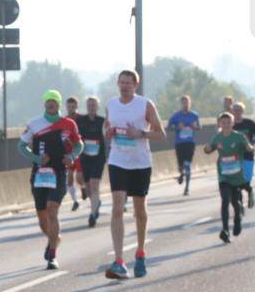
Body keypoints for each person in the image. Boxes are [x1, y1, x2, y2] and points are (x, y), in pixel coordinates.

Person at [103, 70, 166, 280]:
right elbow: (106, 128)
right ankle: (119, 261)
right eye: (121, 82)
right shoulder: (111, 104)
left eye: (128, 83)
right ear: (117, 83)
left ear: (135, 85)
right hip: (117, 160)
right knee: (117, 207)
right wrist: (108, 133)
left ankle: (140, 252)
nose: (124, 86)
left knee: (139, 210)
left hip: (140, 163)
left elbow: (161, 134)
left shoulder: (145, 104)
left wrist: (140, 134)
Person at [18, 90, 83, 269]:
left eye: (54, 101)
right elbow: (21, 146)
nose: (51, 104)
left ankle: (52, 255)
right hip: (39, 173)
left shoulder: (68, 124)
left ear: (59, 104)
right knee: (42, 217)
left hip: (59, 172)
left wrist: (73, 156)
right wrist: (37, 159)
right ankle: (54, 238)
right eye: (48, 101)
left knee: (52, 209)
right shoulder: (34, 123)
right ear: (44, 104)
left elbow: (78, 144)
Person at [204, 112, 250, 243]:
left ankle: (237, 219)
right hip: (223, 176)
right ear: (220, 124)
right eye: (223, 122)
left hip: (236, 176)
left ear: (233, 123)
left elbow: (248, 147)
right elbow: (209, 149)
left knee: (235, 202)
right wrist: (207, 149)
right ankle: (225, 230)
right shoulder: (217, 137)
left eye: (228, 122)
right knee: (225, 200)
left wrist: (249, 148)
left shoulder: (239, 136)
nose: (226, 125)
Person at [76, 96, 107, 227]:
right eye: (89, 105)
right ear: (86, 107)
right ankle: (96, 203)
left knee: (95, 184)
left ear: (97, 107)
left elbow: (109, 136)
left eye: (94, 105)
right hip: (85, 157)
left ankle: (93, 214)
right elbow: (75, 136)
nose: (91, 107)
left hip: (98, 157)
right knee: (88, 186)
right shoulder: (80, 121)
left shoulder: (103, 121)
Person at [166, 95, 200, 196]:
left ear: (190, 103)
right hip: (179, 143)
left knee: (187, 164)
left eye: (187, 103)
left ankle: (187, 188)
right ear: (181, 104)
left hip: (190, 142)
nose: (186, 105)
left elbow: (199, 127)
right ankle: (181, 173)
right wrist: (177, 127)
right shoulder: (176, 116)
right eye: (184, 103)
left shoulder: (194, 115)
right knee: (181, 165)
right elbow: (169, 127)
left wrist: (195, 127)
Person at [231, 102, 255, 208]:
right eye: (235, 110)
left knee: (246, 180)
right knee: (235, 182)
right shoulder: (230, 124)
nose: (237, 112)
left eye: (239, 110)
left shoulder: (249, 123)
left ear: (243, 111)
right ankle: (239, 203)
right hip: (234, 156)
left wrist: (251, 143)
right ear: (232, 111)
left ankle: (250, 191)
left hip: (248, 155)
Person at [64, 96, 84, 210]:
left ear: (76, 106)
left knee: (79, 178)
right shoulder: (64, 120)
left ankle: (84, 188)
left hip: (79, 152)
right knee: (70, 177)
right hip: (68, 152)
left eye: (73, 106)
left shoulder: (81, 119)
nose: (71, 108)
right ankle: (75, 201)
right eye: (69, 106)